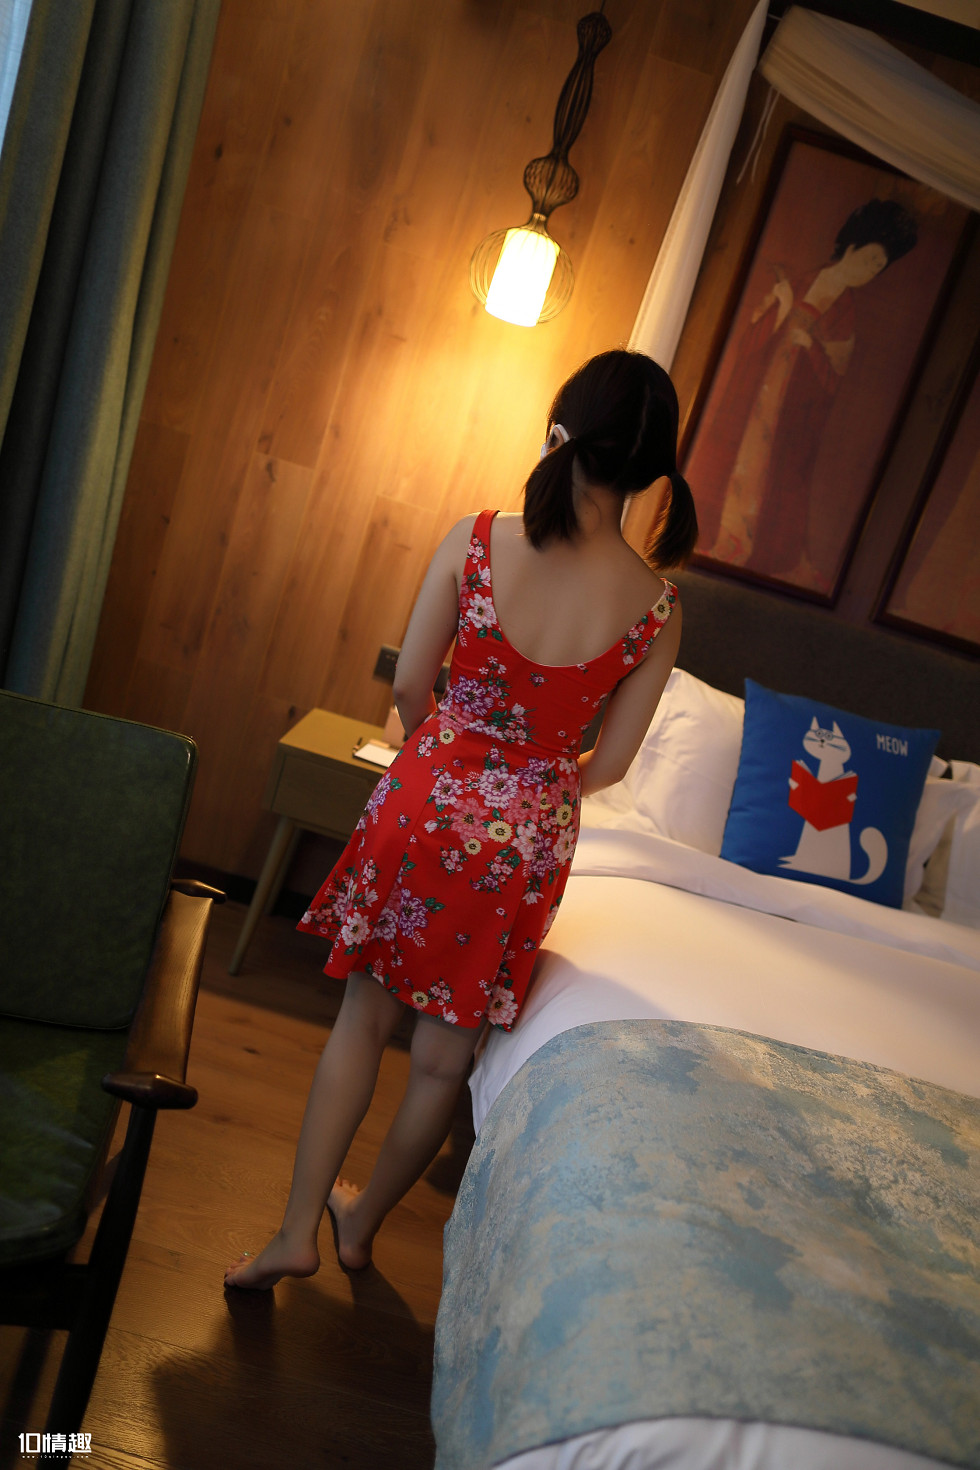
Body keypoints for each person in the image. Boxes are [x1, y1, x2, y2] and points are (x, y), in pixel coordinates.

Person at [224, 349, 697, 1288]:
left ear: (561, 429)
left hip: (427, 796)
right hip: (526, 840)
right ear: (652, 472)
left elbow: (410, 683)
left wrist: (451, 755)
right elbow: (609, 766)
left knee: (362, 1021)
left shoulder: (479, 537)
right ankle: (360, 1225)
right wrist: (530, 784)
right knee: (443, 1061)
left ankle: (295, 1235)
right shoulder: (658, 608)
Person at [700, 198, 917, 582]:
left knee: (772, 476)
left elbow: (834, 376)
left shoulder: (846, 311)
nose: (869, 270)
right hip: (757, 391)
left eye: (877, 267)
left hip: (792, 411)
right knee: (734, 458)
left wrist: (810, 345)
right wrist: (782, 308)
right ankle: (718, 536)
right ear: (851, 247)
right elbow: (752, 337)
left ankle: (752, 548)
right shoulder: (802, 281)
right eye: (869, 258)